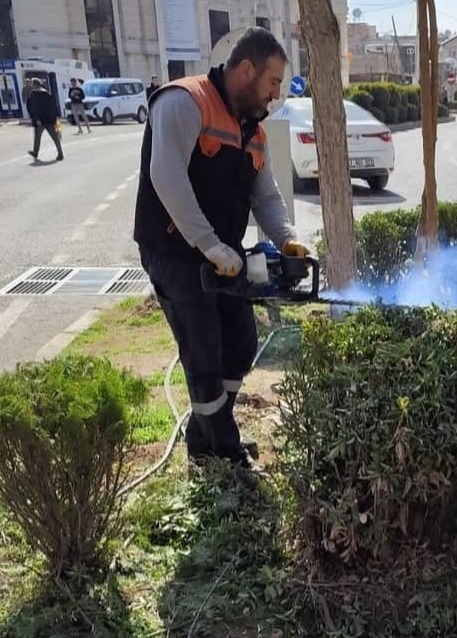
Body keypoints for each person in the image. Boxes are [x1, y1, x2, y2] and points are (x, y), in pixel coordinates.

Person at [134, 27, 309, 475]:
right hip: (173, 251)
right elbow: (167, 177)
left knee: (241, 343)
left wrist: (286, 237)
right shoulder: (184, 102)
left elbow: (265, 196)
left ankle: (209, 432)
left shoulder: (254, 131)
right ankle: (223, 453)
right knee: (204, 352)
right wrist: (208, 244)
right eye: (272, 83)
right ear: (246, 70)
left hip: (223, 254)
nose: (274, 95)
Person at [25, 78, 64, 161]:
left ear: (34, 85)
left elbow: (32, 108)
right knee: (55, 137)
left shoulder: (33, 95)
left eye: (32, 84)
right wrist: (54, 118)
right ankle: (60, 153)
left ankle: (35, 152)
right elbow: (53, 107)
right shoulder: (47, 93)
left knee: (37, 137)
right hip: (49, 119)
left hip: (40, 120)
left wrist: (36, 119)